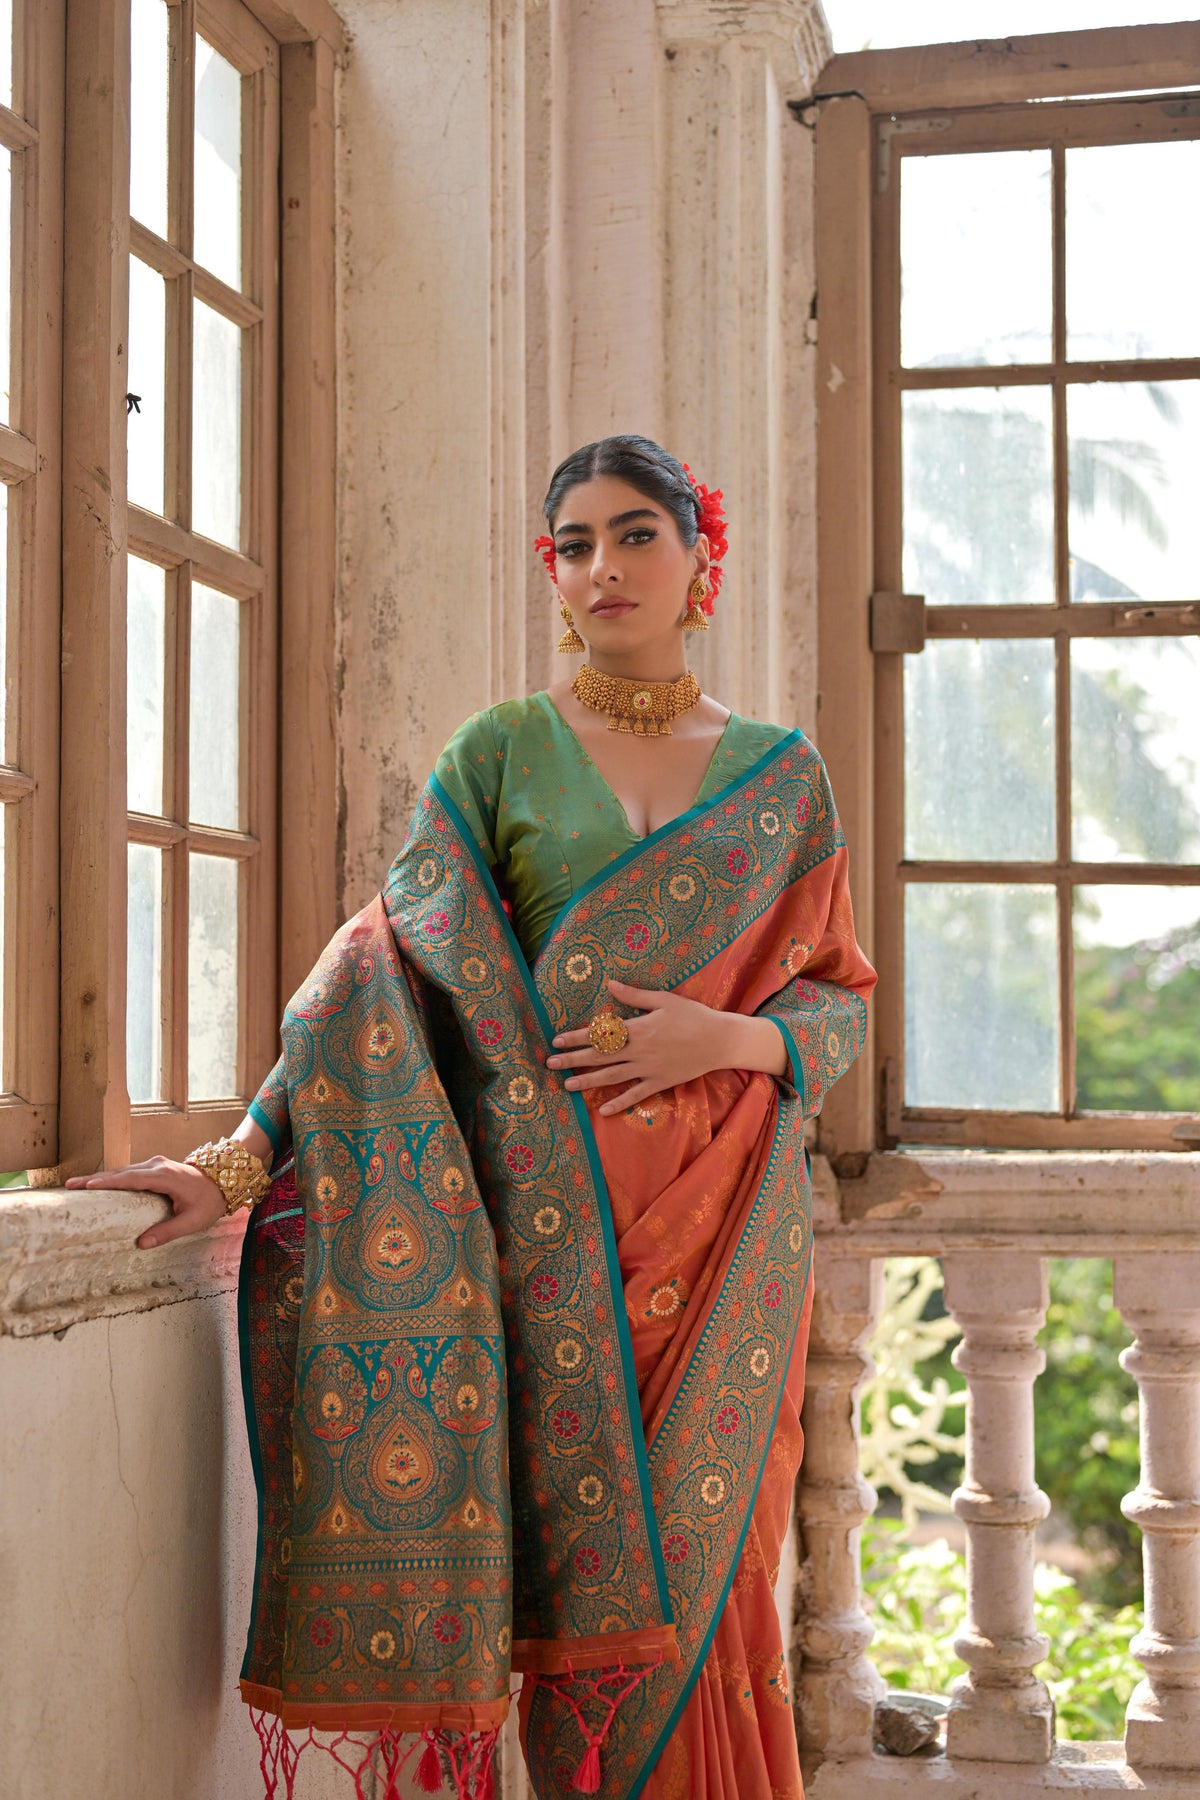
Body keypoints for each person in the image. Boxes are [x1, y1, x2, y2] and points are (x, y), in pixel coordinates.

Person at [69, 436, 876, 1800]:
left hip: (725, 1238)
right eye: (575, 543)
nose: (603, 566)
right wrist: (240, 1160)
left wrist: (729, 1037)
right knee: (571, 1607)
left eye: (636, 534)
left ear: (700, 558)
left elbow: (837, 999)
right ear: (552, 573)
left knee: (714, 1582)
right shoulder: (498, 752)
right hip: (542, 1245)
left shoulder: (781, 777)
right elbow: (378, 980)